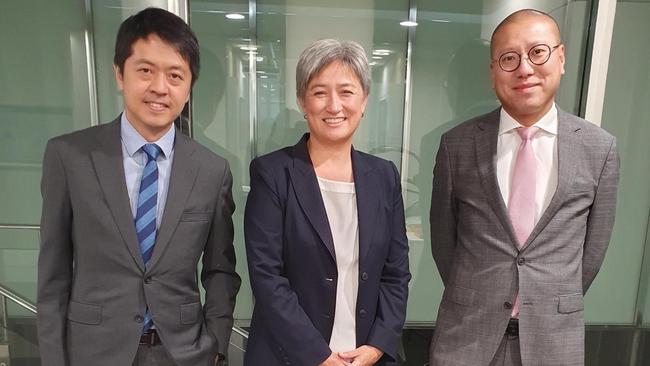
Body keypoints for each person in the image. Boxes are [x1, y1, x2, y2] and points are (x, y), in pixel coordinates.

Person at [37, 8, 241, 366]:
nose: (160, 88)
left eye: (176, 75)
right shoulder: (69, 157)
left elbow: (220, 271)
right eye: (145, 71)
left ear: (190, 84)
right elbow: (52, 274)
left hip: (183, 353)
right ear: (120, 73)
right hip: (93, 352)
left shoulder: (212, 170)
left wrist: (217, 345)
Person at [429, 9, 619, 366]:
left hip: (553, 340)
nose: (524, 69)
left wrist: (549, 296)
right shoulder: (457, 145)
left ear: (560, 58)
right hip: (466, 337)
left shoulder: (599, 148)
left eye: (537, 52)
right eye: (508, 58)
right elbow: (444, 242)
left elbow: (592, 252)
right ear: (492, 72)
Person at [244, 39, 411, 366]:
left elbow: (396, 273)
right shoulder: (273, 173)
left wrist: (378, 344)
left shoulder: (384, 176)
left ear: (364, 100)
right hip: (289, 356)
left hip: (365, 356)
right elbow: (267, 276)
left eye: (347, 92)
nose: (334, 106)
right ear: (302, 102)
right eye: (320, 92)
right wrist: (317, 355)